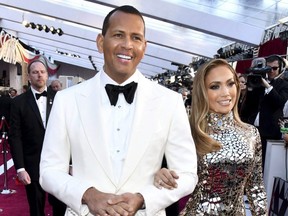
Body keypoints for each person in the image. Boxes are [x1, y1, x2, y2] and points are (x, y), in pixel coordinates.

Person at [39, 5, 198, 216]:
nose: (127, 45)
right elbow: (49, 171)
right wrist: (87, 194)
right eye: (118, 35)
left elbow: (187, 174)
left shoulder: (170, 101)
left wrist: (144, 198)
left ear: (145, 46)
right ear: (100, 42)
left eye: (136, 38)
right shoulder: (67, 100)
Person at [154, 58, 267, 215]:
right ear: (202, 92)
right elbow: (167, 176)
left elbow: (256, 188)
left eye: (230, 83)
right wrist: (160, 174)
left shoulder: (251, 133)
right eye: (215, 86)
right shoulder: (188, 132)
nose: (226, 93)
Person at [9, 58, 66, 216]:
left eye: (42, 72)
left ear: (47, 75)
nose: (39, 75)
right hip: (32, 164)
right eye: (35, 72)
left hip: (57, 164)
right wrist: (20, 168)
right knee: (36, 208)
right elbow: (15, 137)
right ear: (29, 77)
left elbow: (69, 132)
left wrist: (71, 163)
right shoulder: (18, 103)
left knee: (60, 207)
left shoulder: (61, 99)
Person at [241, 55, 288, 170]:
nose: (271, 71)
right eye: (268, 68)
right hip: (252, 130)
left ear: (281, 69)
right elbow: (248, 106)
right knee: (248, 164)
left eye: (274, 68)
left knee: (264, 166)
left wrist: (267, 86)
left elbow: (280, 103)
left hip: (270, 133)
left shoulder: (284, 85)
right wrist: (251, 88)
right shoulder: (258, 83)